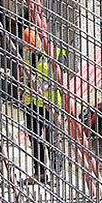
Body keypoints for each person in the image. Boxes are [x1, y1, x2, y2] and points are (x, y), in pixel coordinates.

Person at [20, 28, 65, 182]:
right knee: (35, 138)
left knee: (53, 139)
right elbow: (25, 76)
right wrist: (24, 89)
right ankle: (39, 173)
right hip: (32, 103)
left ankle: (57, 174)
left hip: (50, 103)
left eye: (32, 46)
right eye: (27, 46)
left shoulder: (56, 53)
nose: (30, 49)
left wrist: (47, 85)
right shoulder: (28, 53)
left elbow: (63, 76)